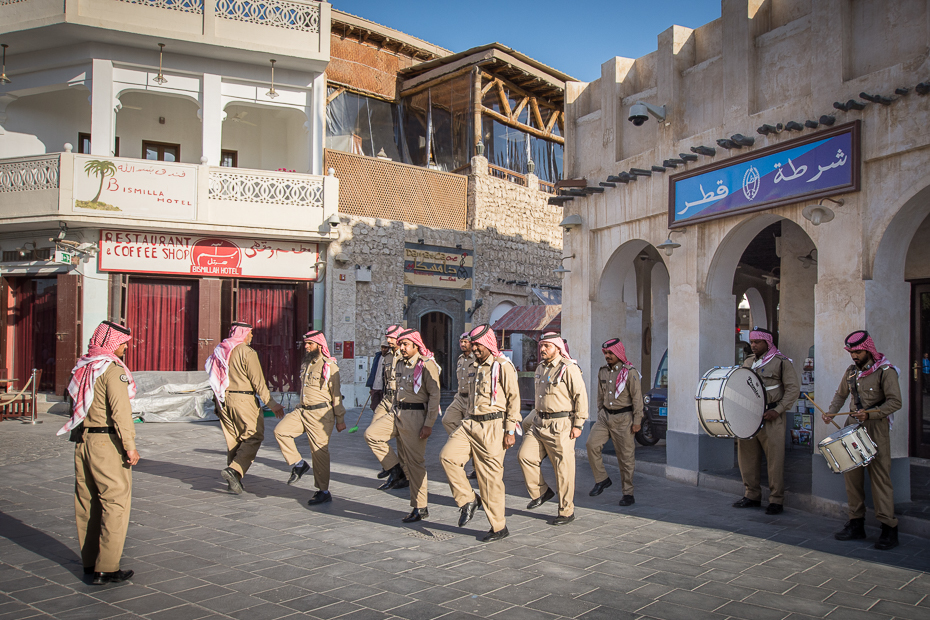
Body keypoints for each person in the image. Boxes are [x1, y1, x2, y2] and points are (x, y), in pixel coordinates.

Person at [58, 321, 139, 585]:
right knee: (115, 503)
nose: (126, 347)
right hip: (107, 444)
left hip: (83, 442)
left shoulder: (84, 366)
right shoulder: (112, 370)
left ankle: (90, 561)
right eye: (124, 342)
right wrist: (130, 445)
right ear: (114, 344)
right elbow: (121, 412)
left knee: (87, 502)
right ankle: (107, 567)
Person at [440, 324, 521, 542]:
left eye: (477, 346)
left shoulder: (503, 366)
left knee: (490, 479)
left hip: (492, 427)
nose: (474, 349)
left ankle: (498, 526)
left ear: (487, 344)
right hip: (470, 423)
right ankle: (468, 499)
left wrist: (510, 430)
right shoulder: (474, 365)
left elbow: (514, 400)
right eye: (472, 345)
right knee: (447, 457)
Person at [824, 330, 902, 550]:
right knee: (852, 478)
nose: (854, 356)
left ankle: (889, 528)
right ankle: (856, 524)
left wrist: (871, 413)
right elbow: (841, 395)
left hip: (876, 429)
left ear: (868, 349)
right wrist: (831, 412)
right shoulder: (850, 372)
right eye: (851, 352)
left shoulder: (886, 372)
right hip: (852, 429)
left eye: (858, 352)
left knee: (880, 479)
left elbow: (895, 402)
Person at [369, 329, 441, 522]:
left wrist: (429, 424)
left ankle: (420, 506)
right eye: (400, 344)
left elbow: (435, 395)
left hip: (416, 416)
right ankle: (395, 468)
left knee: (415, 463)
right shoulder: (399, 363)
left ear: (416, 345)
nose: (401, 348)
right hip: (397, 412)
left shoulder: (426, 365)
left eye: (405, 344)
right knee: (372, 434)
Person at [205, 322, 283, 494]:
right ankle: (234, 470)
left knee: (234, 440)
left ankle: (234, 479)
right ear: (244, 333)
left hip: (222, 400)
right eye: (251, 333)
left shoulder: (221, 349)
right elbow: (259, 382)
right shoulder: (246, 352)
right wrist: (272, 404)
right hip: (242, 399)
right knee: (254, 436)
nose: (252, 336)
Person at [519, 332, 588, 526]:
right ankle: (541, 492)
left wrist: (578, 424)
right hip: (539, 422)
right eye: (541, 346)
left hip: (561, 425)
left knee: (563, 470)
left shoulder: (569, 369)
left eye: (546, 346)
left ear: (558, 347)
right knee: (525, 456)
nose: (542, 350)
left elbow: (580, 397)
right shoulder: (540, 368)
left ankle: (566, 511)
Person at [273, 330, 346, 505]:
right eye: (305, 344)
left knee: (319, 453)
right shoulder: (306, 364)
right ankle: (298, 464)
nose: (306, 347)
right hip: (302, 410)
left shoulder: (329, 365)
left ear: (319, 345)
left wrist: (340, 419)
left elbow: (336, 395)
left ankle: (323, 490)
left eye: (309, 344)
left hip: (321, 414)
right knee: (281, 431)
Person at [732, 327, 800, 515]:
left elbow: (793, 390)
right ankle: (751, 495)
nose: (753, 345)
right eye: (752, 342)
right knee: (747, 457)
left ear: (767, 343)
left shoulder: (781, 363)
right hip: (749, 418)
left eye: (757, 342)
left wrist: (778, 411)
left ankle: (776, 500)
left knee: (774, 460)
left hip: (772, 417)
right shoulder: (747, 362)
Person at [586, 338, 644, 506]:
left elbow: (637, 399)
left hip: (624, 418)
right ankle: (602, 479)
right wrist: (599, 412)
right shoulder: (603, 371)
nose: (607, 356)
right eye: (605, 353)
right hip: (605, 417)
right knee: (591, 444)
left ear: (619, 353)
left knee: (625, 458)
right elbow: (600, 395)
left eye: (611, 353)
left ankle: (628, 493)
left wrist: (637, 421)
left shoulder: (629, 372)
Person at [365, 325, 410, 490]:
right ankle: (393, 467)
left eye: (391, 338)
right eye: (388, 338)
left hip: (400, 399)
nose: (388, 340)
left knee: (401, 440)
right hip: (387, 398)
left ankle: (401, 473)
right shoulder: (388, 356)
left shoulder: (406, 355)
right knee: (372, 433)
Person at [442, 333, 478, 479]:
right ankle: (463, 446)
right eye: (461, 342)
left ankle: (476, 466)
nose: (463, 344)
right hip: (459, 397)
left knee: (473, 432)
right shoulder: (460, 359)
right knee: (447, 420)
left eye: (465, 342)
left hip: (471, 399)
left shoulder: (477, 359)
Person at [366, 344, 390, 412]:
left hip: (383, 387)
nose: (384, 349)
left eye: (385, 348)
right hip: (375, 385)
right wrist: (371, 386)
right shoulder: (377, 357)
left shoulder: (390, 358)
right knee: (374, 406)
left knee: (383, 407)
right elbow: (373, 371)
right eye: (382, 347)